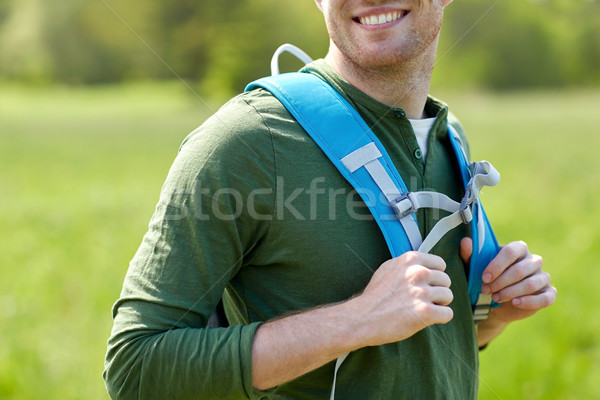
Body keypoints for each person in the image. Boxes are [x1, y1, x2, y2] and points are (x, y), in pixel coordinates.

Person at [104, 1, 557, 399]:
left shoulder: (447, 137)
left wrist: (491, 317)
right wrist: (355, 320)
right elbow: (135, 367)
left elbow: (407, 354)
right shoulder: (246, 142)